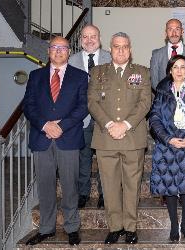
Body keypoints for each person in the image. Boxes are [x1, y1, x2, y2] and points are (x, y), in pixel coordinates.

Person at [23, 36, 88, 246]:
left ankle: (72, 227)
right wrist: (45, 125)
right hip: (41, 138)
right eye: (54, 47)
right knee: (45, 186)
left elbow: (83, 106)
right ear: (48, 51)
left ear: (69, 52)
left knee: (70, 185)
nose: (59, 51)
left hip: (67, 137)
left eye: (63, 48)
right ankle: (46, 228)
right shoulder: (35, 76)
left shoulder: (80, 76)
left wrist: (61, 126)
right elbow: (29, 106)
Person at [88, 32, 151, 245]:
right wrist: (109, 125)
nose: (121, 50)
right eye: (117, 46)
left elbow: (145, 103)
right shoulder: (97, 73)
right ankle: (115, 227)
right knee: (110, 185)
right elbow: (92, 102)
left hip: (132, 137)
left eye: (125, 46)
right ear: (110, 49)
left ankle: (131, 228)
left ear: (130, 49)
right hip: (106, 138)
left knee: (132, 186)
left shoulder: (142, 72)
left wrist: (124, 125)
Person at [150, 55, 185, 242]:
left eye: (183, 67)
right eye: (176, 67)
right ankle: (174, 226)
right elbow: (155, 118)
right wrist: (168, 139)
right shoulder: (162, 91)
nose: (179, 70)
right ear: (170, 70)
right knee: (170, 186)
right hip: (168, 146)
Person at [69, 24, 111, 209]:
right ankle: (83, 193)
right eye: (85, 37)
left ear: (99, 38)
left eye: (93, 36)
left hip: (105, 117)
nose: (89, 40)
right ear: (80, 41)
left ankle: (105, 193)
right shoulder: (71, 60)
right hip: (81, 118)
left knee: (104, 158)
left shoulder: (110, 58)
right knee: (83, 157)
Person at [150, 18, 185, 90]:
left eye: (177, 29)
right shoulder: (156, 55)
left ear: (182, 31)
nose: (174, 33)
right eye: (170, 29)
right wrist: (167, 96)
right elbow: (154, 82)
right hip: (163, 98)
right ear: (166, 33)